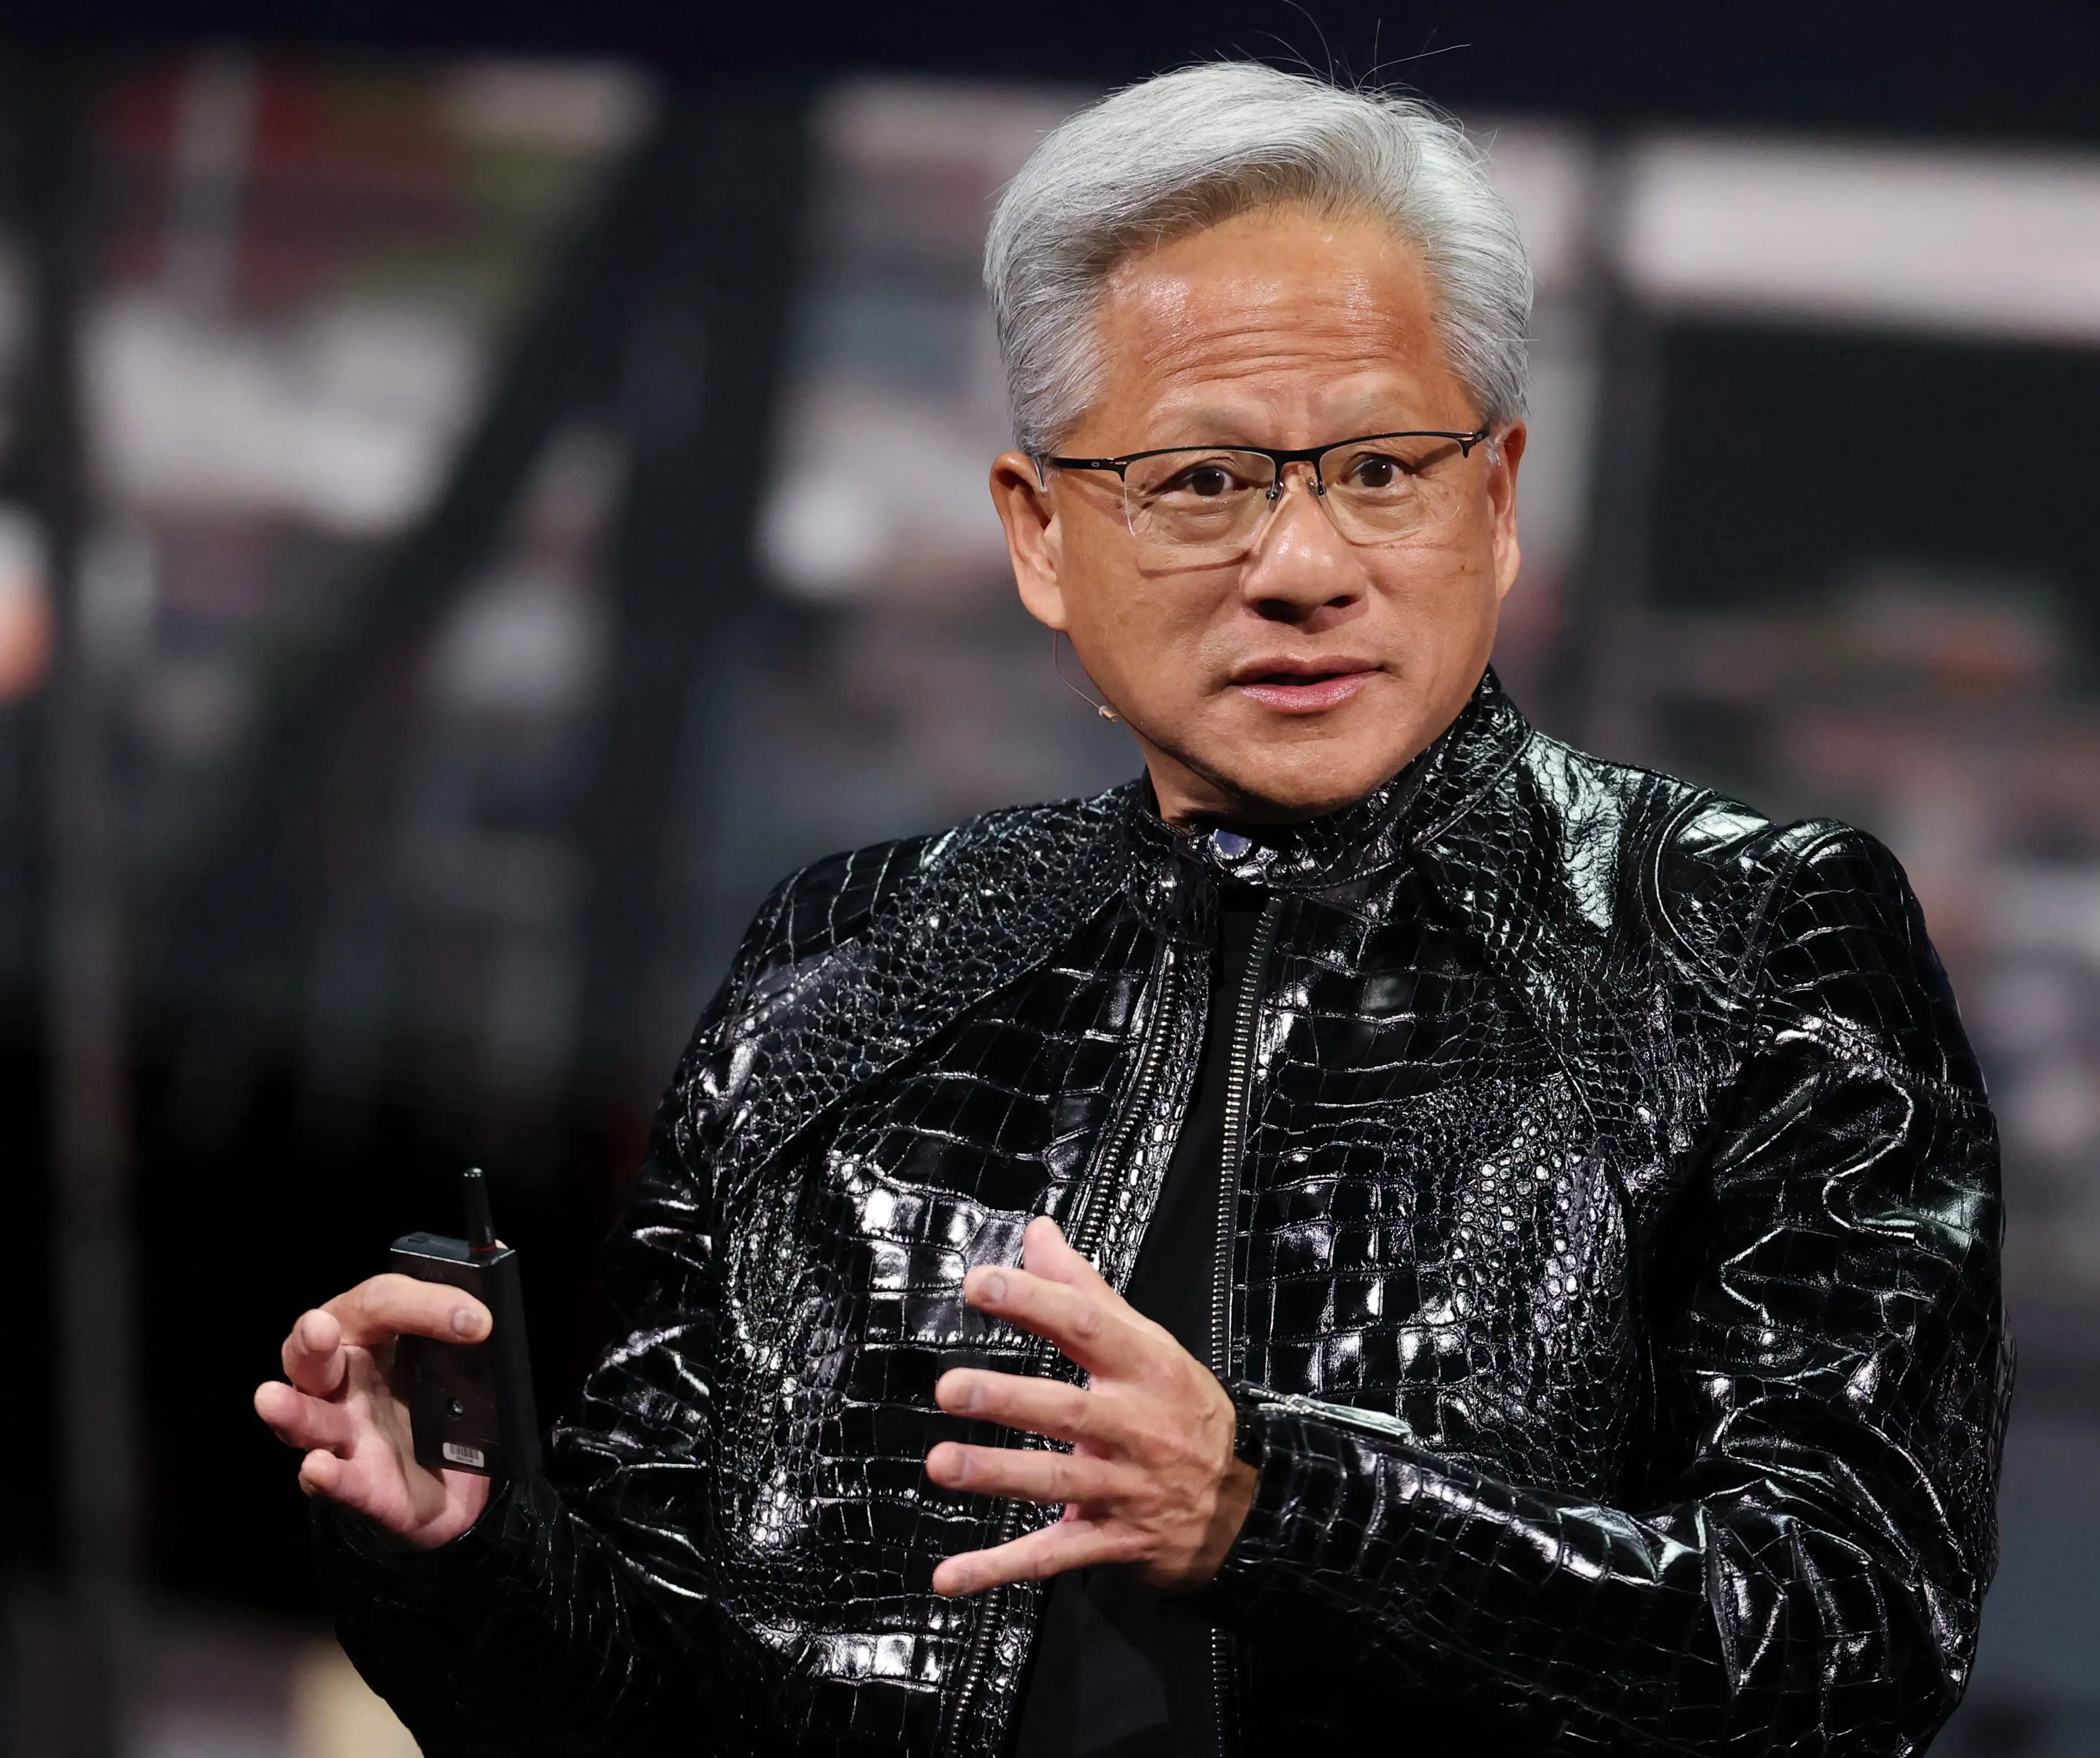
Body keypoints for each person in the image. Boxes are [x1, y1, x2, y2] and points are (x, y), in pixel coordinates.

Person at [254, 61, 2009, 1758]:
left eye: (1383, 471)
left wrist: (1274, 1506)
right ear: (1039, 536)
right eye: (1203, 482)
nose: (1305, 567)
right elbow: (648, 1698)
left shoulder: (1745, 943)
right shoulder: (850, 960)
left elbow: (1849, 1639)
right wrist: (463, 1559)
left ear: (1496, 499)